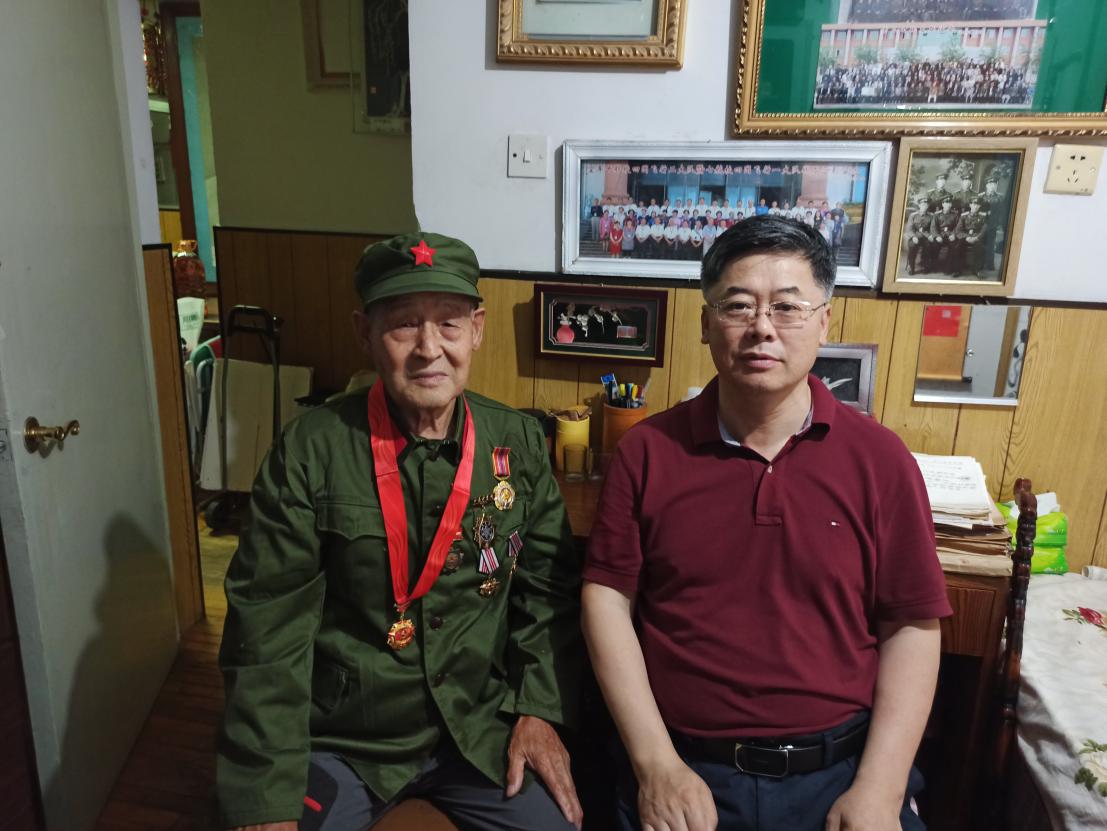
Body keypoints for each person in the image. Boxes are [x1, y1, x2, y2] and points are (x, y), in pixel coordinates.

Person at [582, 216, 950, 831]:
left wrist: (880, 791)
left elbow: (912, 624)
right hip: (686, 769)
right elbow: (607, 600)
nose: (762, 327)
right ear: (705, 323)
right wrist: (655, 766)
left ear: (824, 322)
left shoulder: (881, 460)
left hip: (842, 771)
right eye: (738, 306)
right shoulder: (646, 452)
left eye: (787, 307)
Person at [217, 233, 585, 831]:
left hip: (476, 725)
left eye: (448, 324)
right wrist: (263, 792)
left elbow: (547, 594)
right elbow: (266, 627)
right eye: (404, 325)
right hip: (344, 738)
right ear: (364, 333)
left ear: (477, 330)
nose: (429, 349)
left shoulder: (516, 443)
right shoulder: (311, 450)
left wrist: (537, 710)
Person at [955, 196, 989, 277]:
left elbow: (984, 230)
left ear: (980, 206)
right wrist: (967, 237)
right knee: (958, 247)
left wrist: (977, 238)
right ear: (970, 205)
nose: (975, 206)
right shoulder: (963, 216)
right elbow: (958, 230)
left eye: (977, 205)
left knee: (980, 248)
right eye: (973, 204)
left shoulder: (983, 216)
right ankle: (957, 270)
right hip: (965, 237)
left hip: (976, 237)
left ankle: (977, 270)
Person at [904, 196, 936, 275]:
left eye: (926, 204)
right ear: (919, 205)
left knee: (929, 245)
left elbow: (932, 228)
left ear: (928, 206)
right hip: (915, 236)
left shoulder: (932, 216)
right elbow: (909, 228)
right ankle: (911, 266)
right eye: (922, 204)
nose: (924, 206)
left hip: (926, 237)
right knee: (912, 246)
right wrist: (913, 237)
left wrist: (930, 236)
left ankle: (925, 265)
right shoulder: (913, 215)